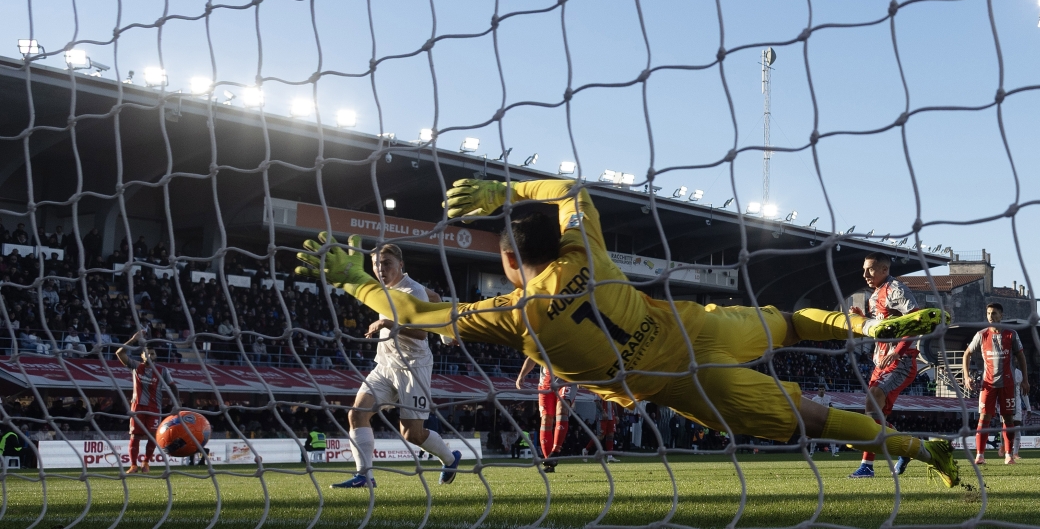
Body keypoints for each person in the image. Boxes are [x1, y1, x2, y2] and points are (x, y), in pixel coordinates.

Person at [297, 179, 959, 487]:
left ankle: (920, 451)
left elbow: (414, 317)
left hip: (674, 383)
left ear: (507, 261)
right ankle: (864, 324)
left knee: (813, 418)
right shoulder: (587, 250)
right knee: (787, 322)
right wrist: (503, 188)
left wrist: (355, 279)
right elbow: (570, 189)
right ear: (560, 236)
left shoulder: (514, 311)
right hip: (691, 326)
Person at [330, 243, 461, 489]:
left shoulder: (412, 290)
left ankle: (450, 458)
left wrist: (388, 324)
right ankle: (364, 475)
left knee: (412, 434)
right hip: (385, 365)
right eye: (376, 264)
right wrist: (446, 332)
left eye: (386, 263)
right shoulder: (388, 288)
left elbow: (421, 334)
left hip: (413, 367)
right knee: (357, 414)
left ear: (401, 265)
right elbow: (435, 297)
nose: (380, 269)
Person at [848, 253, 923, 479]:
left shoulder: (896, 289)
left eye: (870, 269)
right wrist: (863, 317)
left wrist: (898, 350)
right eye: (864, 270)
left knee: (872, 400)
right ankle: (906, 447)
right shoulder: (875, 295)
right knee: (874, 413)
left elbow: (917, 318)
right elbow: (882, 325)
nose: (865, 274)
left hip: (900, 361)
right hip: (880, 362)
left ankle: (867, 467)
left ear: (883, 269)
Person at [962, 302, 1029, 465]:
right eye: (988, 313)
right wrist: (966, 376)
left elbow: (1021, 357)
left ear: (1001, 316)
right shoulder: (981, 335)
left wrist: (1025, 380)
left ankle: (1008, 455)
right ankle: (980, 455)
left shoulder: (1011, 335)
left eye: (994, 313)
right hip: (988, 384)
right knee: (984, 417)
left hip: (1008, 384)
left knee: (1007, 418)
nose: (990, 317)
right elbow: (967, 354)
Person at [115, 333, 176, 474]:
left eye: (152, 354)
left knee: (153, 436)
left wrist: (176, 402)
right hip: (137, 407)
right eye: (147, 353)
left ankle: (146, 462)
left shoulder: (162, 370)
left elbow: (173, 386)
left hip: (154, 408)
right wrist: (133, 339)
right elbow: (119, 353)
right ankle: (133, 466)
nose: (150, 356)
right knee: (135, 436)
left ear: (155, 356)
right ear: (142, 355)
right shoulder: (136, 366)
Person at [516, 356, 578, 472]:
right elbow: (532, 356)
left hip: (567, 381)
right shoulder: (543, 339)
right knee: (546, 419)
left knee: (562, 408)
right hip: (545, 384)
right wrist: (522, 375)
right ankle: (549, 462)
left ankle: (555, 452)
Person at [807, 387, 838, 457]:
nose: (821, 391)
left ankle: (833, 453)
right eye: (820, 389)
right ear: (818, 390)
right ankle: (811, 452)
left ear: (824, 390)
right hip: (818, 419)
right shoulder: (814, 399)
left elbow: (830, 406)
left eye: (823, 389)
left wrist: (834, 411)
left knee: (831, 436)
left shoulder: (828, 397)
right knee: (814, 436)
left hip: (827, 418)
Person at [1011, 364, 1032, 460]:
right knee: (1006, 428)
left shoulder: (1019, 373)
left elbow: (1024, 393)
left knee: (1017, 428)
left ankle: (1015, 453)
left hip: (1017, 404)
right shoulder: (1002, 370)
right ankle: (1006, 450)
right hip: (1004, 402)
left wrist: (1028, 408)